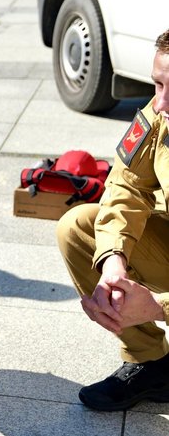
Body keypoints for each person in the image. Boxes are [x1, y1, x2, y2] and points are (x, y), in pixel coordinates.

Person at [56, 29, 169, 411]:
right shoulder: (161, 112)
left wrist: (157, 306)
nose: (162, 102)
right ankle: (151, 362)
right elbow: (127, 186)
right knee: (80, 226)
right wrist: (113, 263)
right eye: (158, 83)